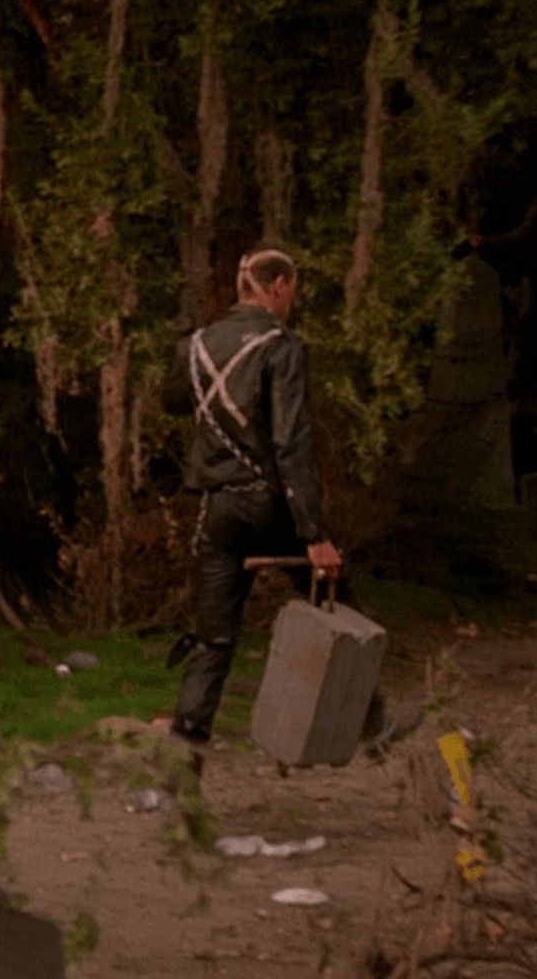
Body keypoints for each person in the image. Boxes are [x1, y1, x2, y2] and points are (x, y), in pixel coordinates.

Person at [162, 248, 342, 753]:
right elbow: (291, 444)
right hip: (269, 506)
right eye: (292, 291)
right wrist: (314, 533)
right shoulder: (282, 347)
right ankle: (373, 723)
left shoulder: (195, 345)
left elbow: (173, 401)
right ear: (278, 285)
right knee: (334, 597)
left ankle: (184, 753)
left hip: (218, 509)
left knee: (213, 641)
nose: (292, 301)